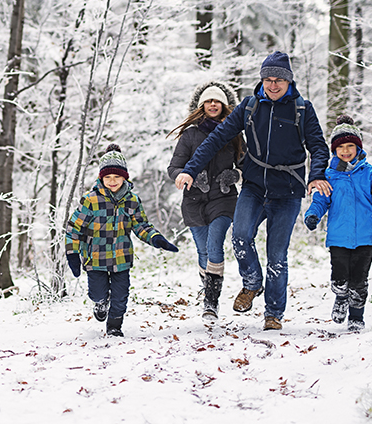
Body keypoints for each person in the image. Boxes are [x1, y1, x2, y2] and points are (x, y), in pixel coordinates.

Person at [175, 51, 330, 331]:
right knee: (241, 235)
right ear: (261, 80)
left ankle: (273, 313)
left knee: (277, 254)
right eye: (268, 79)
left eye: (278, 81)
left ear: (288, 82)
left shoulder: (302, 109)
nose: (272, 85)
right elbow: (215, 139)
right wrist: (190, 168)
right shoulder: (249, 107)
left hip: (288, 190)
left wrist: (316, 175)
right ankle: (252, 283)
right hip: (255, 186)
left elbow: (318, 146)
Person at [66, 144, 179, 337]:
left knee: (120, 297)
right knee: (98, 293)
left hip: (121, 258)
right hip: (95, 259)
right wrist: (72, 254)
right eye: (108, 177)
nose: (112, 181)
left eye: (116, 177)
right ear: (101, 177)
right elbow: (75, 227)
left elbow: (140, 225)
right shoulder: (90, 200)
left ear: (124, 177)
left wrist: (156, 239)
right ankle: (101, 303)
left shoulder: (132, 200)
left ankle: (114, 327)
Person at [303, 115, 372, 332]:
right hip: (338, 236)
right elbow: (320, 200)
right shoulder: (328, 176)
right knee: (340, 278)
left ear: (358, 147)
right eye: (340, 147)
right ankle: (340, 297)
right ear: (334, 150)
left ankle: (356, 317)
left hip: (366, 237)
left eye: (350, 146)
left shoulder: (371, 174)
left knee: (359, 281)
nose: (345, 151)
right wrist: (313, 215)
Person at [167, 81, 243, 323]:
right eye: (208, 101)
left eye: (217, 101)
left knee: (214, 244)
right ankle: (210, 288)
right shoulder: (189, 135)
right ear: (201, 106)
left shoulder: (234, 133)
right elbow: (174, 167)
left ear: (223, 106)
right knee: (203, 251)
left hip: (223, 197)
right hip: (194, 200)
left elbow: (245, 165)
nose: (213, 104)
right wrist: (186, 176)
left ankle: (211, 302)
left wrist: (236, 175)